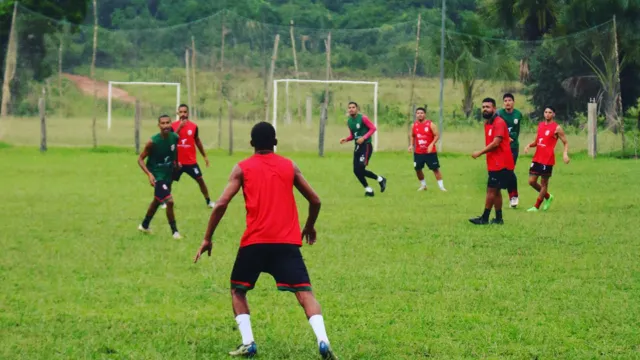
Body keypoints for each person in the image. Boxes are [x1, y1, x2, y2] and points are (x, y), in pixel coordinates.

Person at [193, 122, 337, 359]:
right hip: (287, 243)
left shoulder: (242, 168)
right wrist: (309, 225)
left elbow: (220, 204)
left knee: (238, 291)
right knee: (305, 294)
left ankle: (248, 342)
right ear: (275, 142)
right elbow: (316, 200)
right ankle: (323, 340)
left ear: (251, 144)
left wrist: (208, 238)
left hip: (255, 242)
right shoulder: (289, 166)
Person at [469, 98, 515, 225]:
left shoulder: (499, 122)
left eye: (488, 107)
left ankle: (484, 218)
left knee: (491, 191)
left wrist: (479, 152)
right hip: (494, 162)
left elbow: (496, 143)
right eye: (483, 107)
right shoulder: (487, 123)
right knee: (496, 191)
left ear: (494, 108)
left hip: (501, 163)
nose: (485, 109)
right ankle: (499, 219)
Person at [137, 115, 182, 239]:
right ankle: (175, 232)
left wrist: (177, 163)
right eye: (163, 123)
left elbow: (174, 151)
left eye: (168, 123)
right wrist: (149, 174)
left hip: (168, 173)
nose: (166, 125)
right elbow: (140, 159)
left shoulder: (175, 137)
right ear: (159, 125)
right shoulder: (153, 142)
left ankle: (144, 225)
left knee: (157, 200)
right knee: (170, 201)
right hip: (157, 175)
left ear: (171, 124)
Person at [523, 106, 570, 212]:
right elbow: (536, 142)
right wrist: (528, 145)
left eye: (550, 112)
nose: (547, 114)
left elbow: (565, 142)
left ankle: (536, 206)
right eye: (546, 112)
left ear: (553, 114)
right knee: (531, 181)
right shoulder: (540, 126)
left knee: (544, 183)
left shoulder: (557, 128)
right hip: (537, 158)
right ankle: (548, 197)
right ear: (543, 113)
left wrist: (565, 154)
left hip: (547, 159)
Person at [170, 104, 214, 208]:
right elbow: (171, 140)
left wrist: (205, 156)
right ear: (178, 113)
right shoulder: (172, 126)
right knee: (169, 181)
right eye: (181, 112)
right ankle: (164, 201)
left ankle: (208, 201)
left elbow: (197, 141)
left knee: (200, 180)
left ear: (188, 113)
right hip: (177, 162)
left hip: (191, 162)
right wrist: (180, 127)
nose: (183, 114)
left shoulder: (194, 127)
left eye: (185, 112)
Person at [339, 101, 387, 197]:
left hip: (366, 146)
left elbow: (373, 128)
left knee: (361, 167)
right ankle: (369, 190)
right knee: (356, 171)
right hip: (357, 147)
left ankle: (380, 179)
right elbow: (353, 135)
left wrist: (364, 138)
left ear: (357, 109)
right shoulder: (349, 121)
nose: (351, 109)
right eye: (349, 107)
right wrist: (346, 139)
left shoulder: (363, 118)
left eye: (353, 107)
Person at [408, 107, 446, 192]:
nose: (420, 115)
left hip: (430, 152)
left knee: (435, 169)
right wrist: (411, 145)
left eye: (421, 113)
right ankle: (423, 185)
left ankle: (441, 187)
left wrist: (431, 144)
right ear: (416, 115)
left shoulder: (431, 124)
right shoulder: (414, 125)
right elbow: (412, 136)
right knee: (418, 169)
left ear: (424, 114)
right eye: (418, 113)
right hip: (418, 152)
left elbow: (437, 135)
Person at [497, 93, 523, 208]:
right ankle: (508, 196)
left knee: (509, 171)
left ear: (513, 102)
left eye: (509, 100)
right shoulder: (499, 114)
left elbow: (517, 131)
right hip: (501, 147)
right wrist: (505, 137)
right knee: (502, 171)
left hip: (513, 147)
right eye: (505, 100)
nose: (507, 102)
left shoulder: (518, 114)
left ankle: (514, 196)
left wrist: (512, 139)